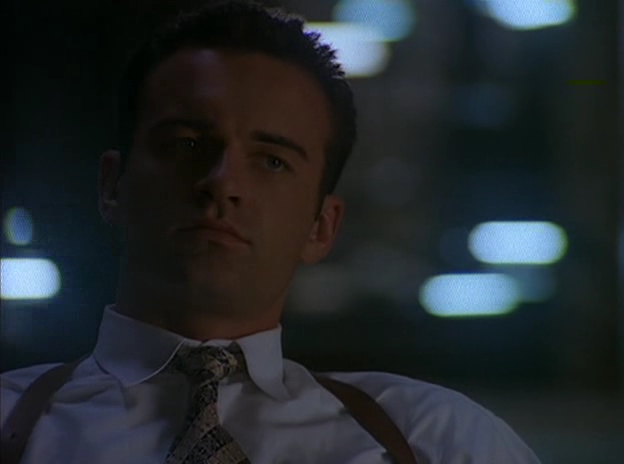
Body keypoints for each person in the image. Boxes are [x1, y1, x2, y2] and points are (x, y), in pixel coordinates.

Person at [0, 1, 541, 462]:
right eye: (187, 144)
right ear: (113, 185)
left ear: (321, 226)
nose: (222, 182)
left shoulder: (436, 439)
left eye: (272, 160)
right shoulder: (11, 420)